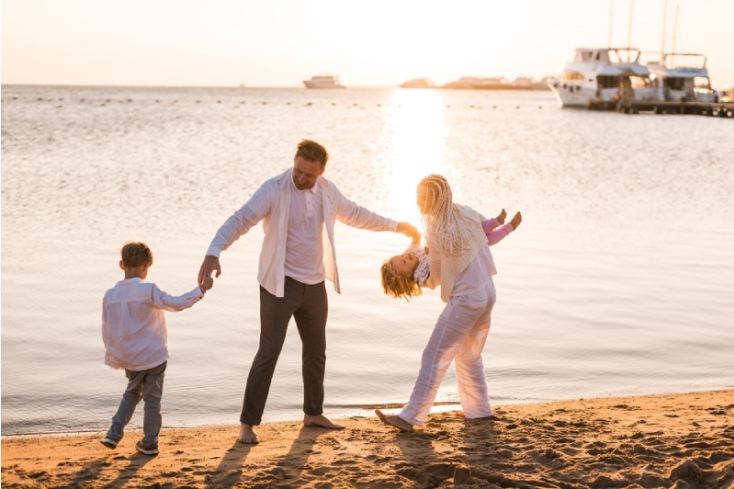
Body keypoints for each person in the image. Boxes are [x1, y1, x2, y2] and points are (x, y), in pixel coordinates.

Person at [197, 139, 420, 444]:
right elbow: (241, 219)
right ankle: (247, 424)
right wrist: (214, 250)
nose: (301, 178)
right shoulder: (274, 189)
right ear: (295, 161)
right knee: (268, 352)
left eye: (308, 175)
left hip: (315, 285)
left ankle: (313, 413)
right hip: (279, 284)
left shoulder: (328, 191)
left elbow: (356, 214)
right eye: (298, 171)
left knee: (316, 351)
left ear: (321, 171)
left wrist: (396, 225)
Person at [376, 174, 521, 432]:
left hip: (467, 299)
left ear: (436, 198)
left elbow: (435, 277)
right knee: (468, 355)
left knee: (434, 355)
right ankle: (479, 411)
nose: (419, 203)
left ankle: (410, 417)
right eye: (417, 197)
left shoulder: (437, 229)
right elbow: (485, 235)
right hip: (488, 292)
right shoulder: (464, 212)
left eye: (423, 198)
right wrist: (504, 225)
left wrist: (416, 273)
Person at [101, 242, 213, 455]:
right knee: (152, 399)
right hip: (154, 356)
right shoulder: (148, 290)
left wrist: (114, 354)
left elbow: (107, 328)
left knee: (132, 393)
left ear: (121, 264)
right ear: (147, 266)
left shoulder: (110, 295)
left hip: (130, 357)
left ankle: (114, 434)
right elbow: (177, 303)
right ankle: (150, 442)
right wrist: (202, 289)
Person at [380, 208, 520, 301]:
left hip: (450, 243)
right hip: (453, 254)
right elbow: (435, 278)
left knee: (474, 233)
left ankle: (494, 222)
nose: (405, 257)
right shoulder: (421, 277)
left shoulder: (411, 252)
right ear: (409, 274)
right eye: (404, 263)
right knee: (483, 241)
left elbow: (415, 239)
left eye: (401, 256)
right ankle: (508, 228)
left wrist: (411, 231)